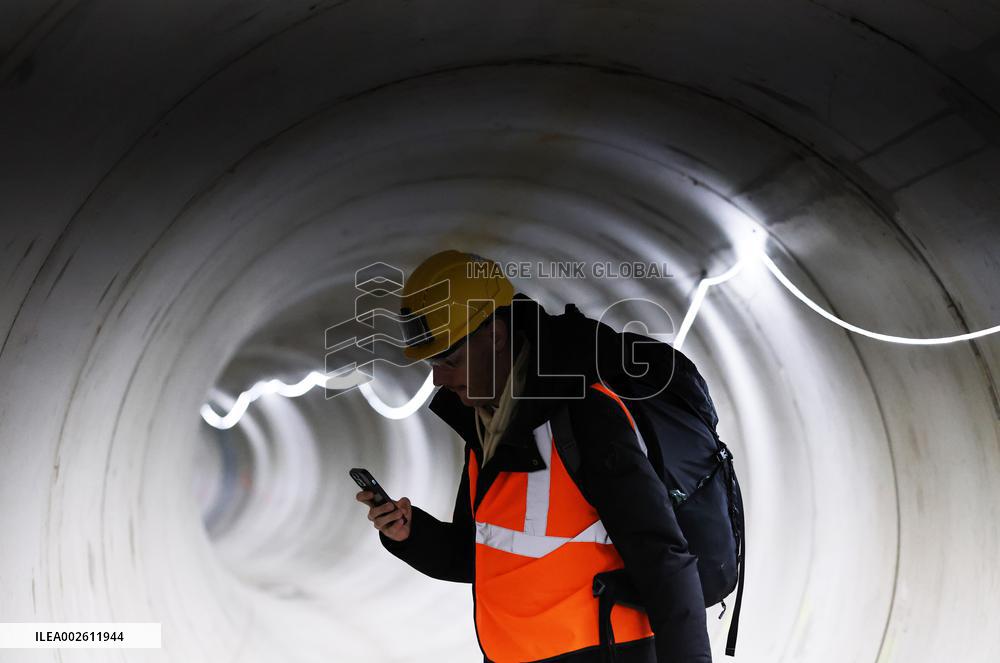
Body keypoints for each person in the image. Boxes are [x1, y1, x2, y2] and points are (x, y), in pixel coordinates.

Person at [356, 250, 712, 663]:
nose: (439, 377)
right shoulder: (485, 426)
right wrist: (410, 533)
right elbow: (479, 557)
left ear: (495, 336)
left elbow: (663, 560)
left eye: (449, 360)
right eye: (434, 363)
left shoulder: (583, 416)